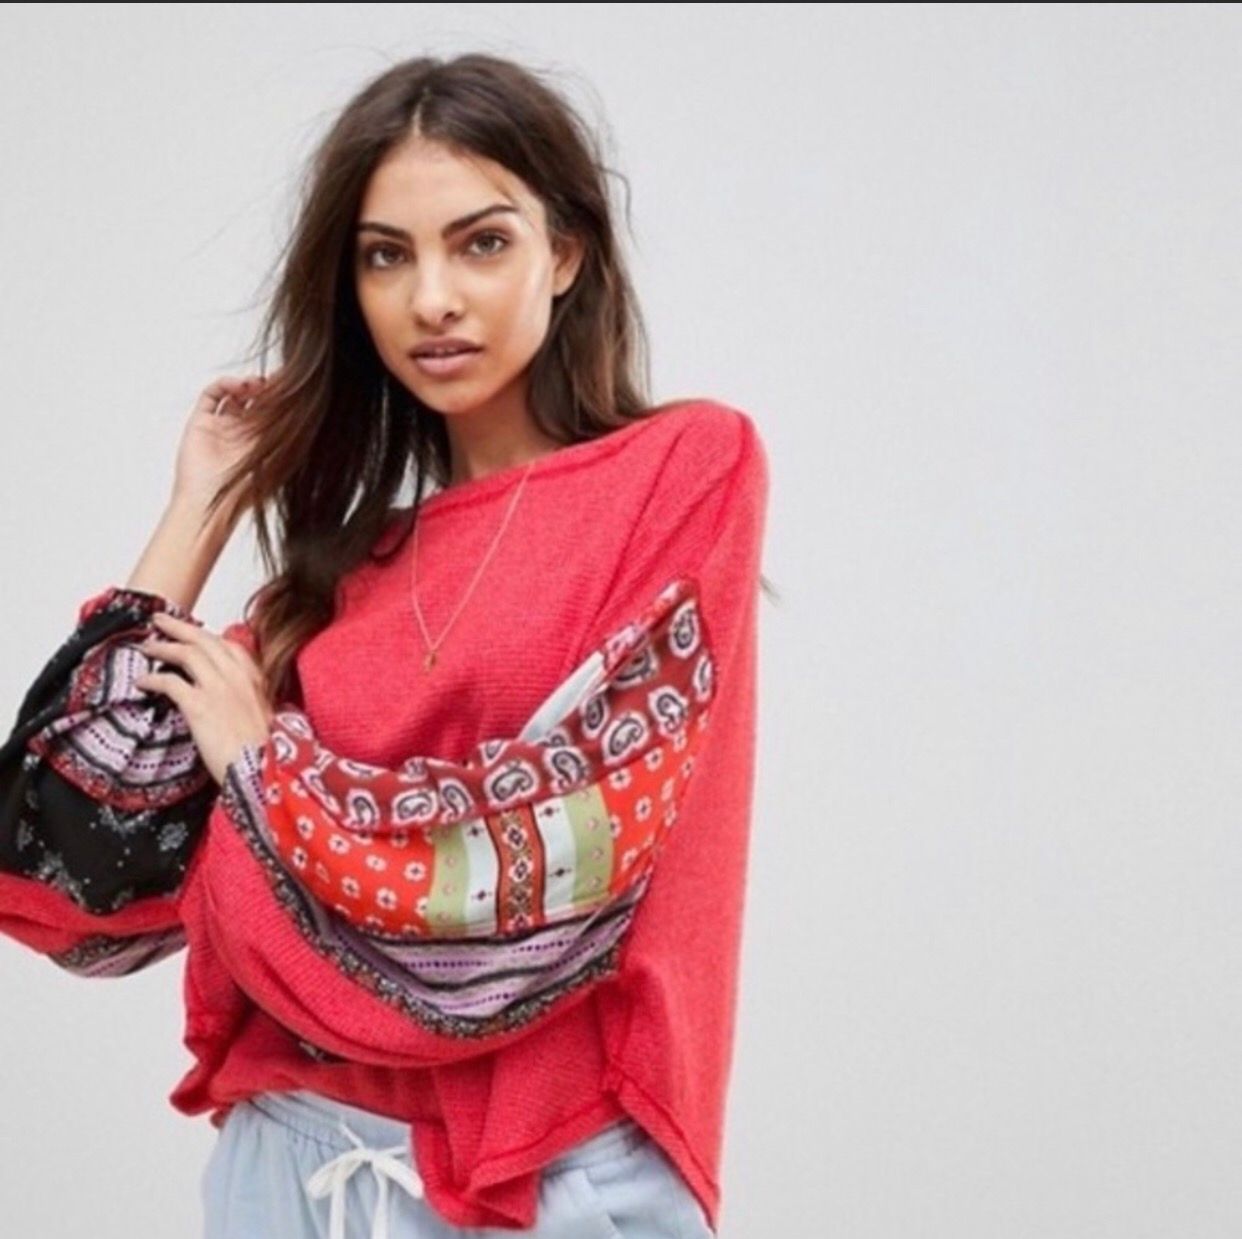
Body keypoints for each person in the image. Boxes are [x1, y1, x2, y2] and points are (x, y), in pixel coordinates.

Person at [0, 52, 771, 1238]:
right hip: (287, 1171)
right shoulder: (331, 586)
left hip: (551, 1177)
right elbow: (59, 870)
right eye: (385, 256)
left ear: (565, 254)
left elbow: (552, 862)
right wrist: (203, 506)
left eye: (482, 243)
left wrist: (262, 775)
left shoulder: (682, 472)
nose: (433, 300)